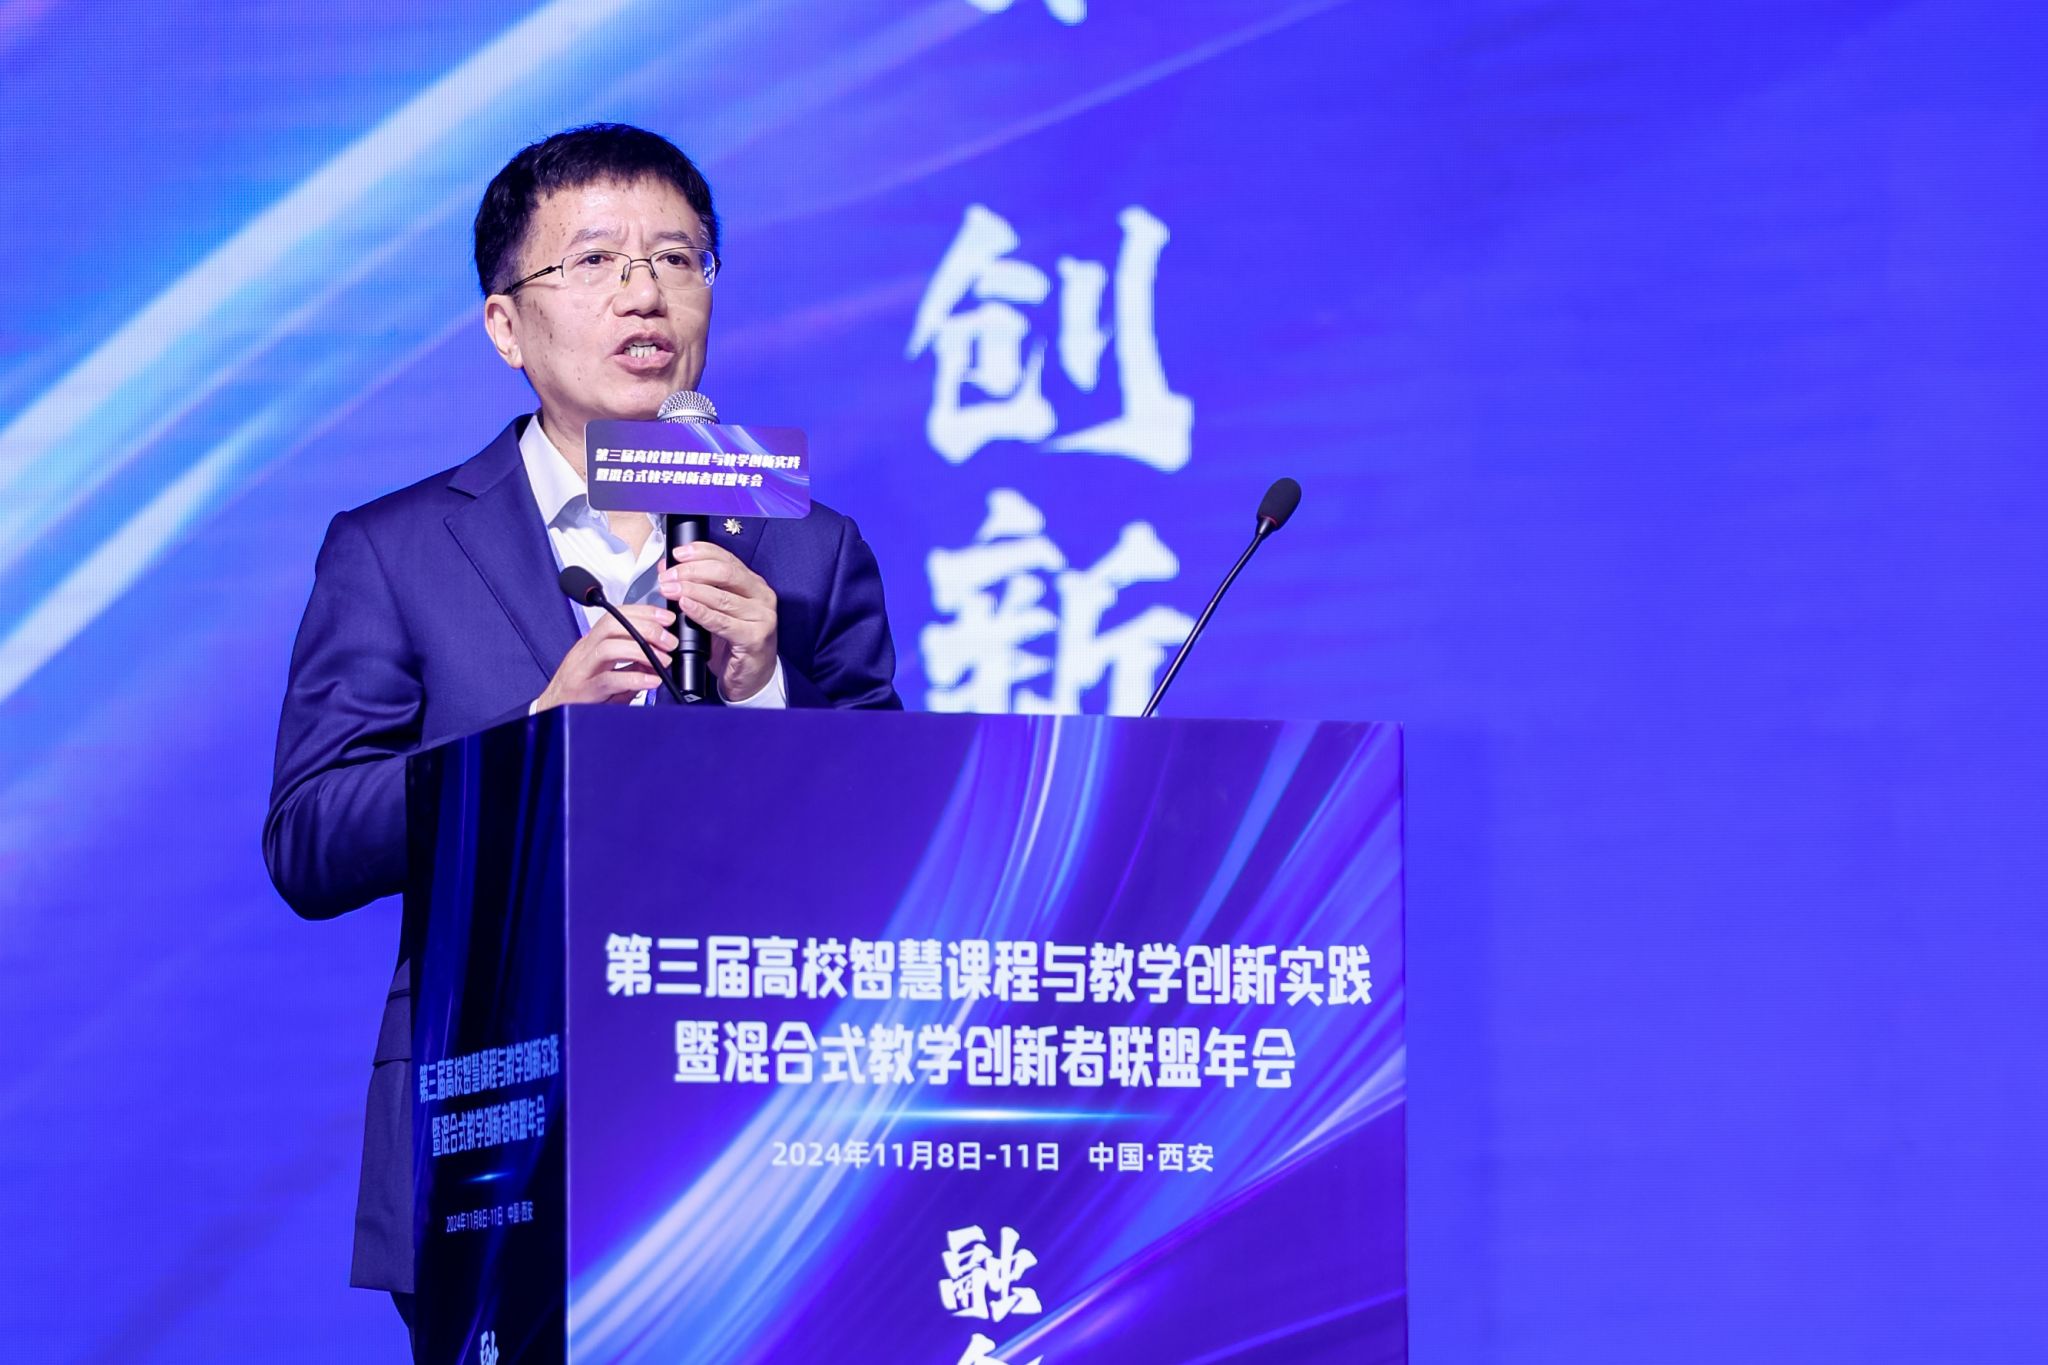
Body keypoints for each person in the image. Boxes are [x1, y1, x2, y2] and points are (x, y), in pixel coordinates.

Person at [263, 123, 900, 1331]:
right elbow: (309, 838)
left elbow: (900, 830)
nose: (644, 293)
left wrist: (769, 689)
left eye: (677, 258)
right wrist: (526, 742)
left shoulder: (806, 546)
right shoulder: (396, 549)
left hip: (761, 1124)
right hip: (494, 1126)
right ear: (506, 326)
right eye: (596, 260)